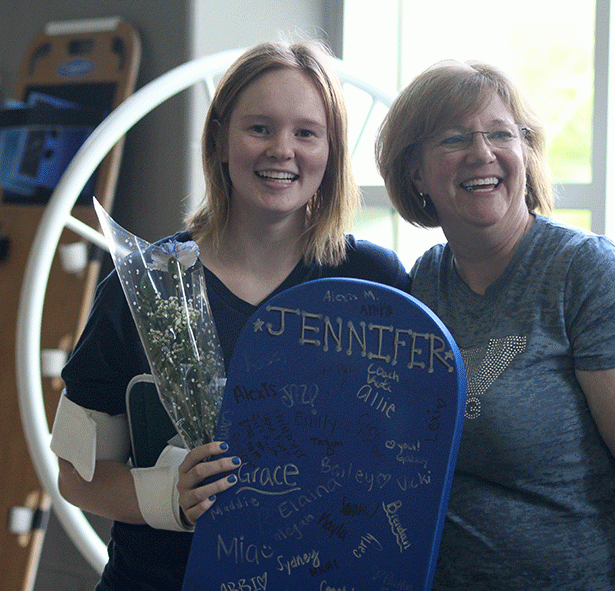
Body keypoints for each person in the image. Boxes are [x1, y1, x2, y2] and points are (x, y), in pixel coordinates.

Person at [51, 40, 409, 590]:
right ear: (218, 139)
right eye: (259, 128)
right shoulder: (143, 288)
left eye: (306, 132)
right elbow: (76, 476)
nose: (282, 150)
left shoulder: (375, 285)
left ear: (332, 150)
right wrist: (168, 496)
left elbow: (411, 451)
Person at [375, 59, 615, 590]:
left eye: (501, 134)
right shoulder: (423, 285)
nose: (483, 153)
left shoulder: (586, 274)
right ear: (415, 171)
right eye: (454, 139)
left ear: (524, 153)